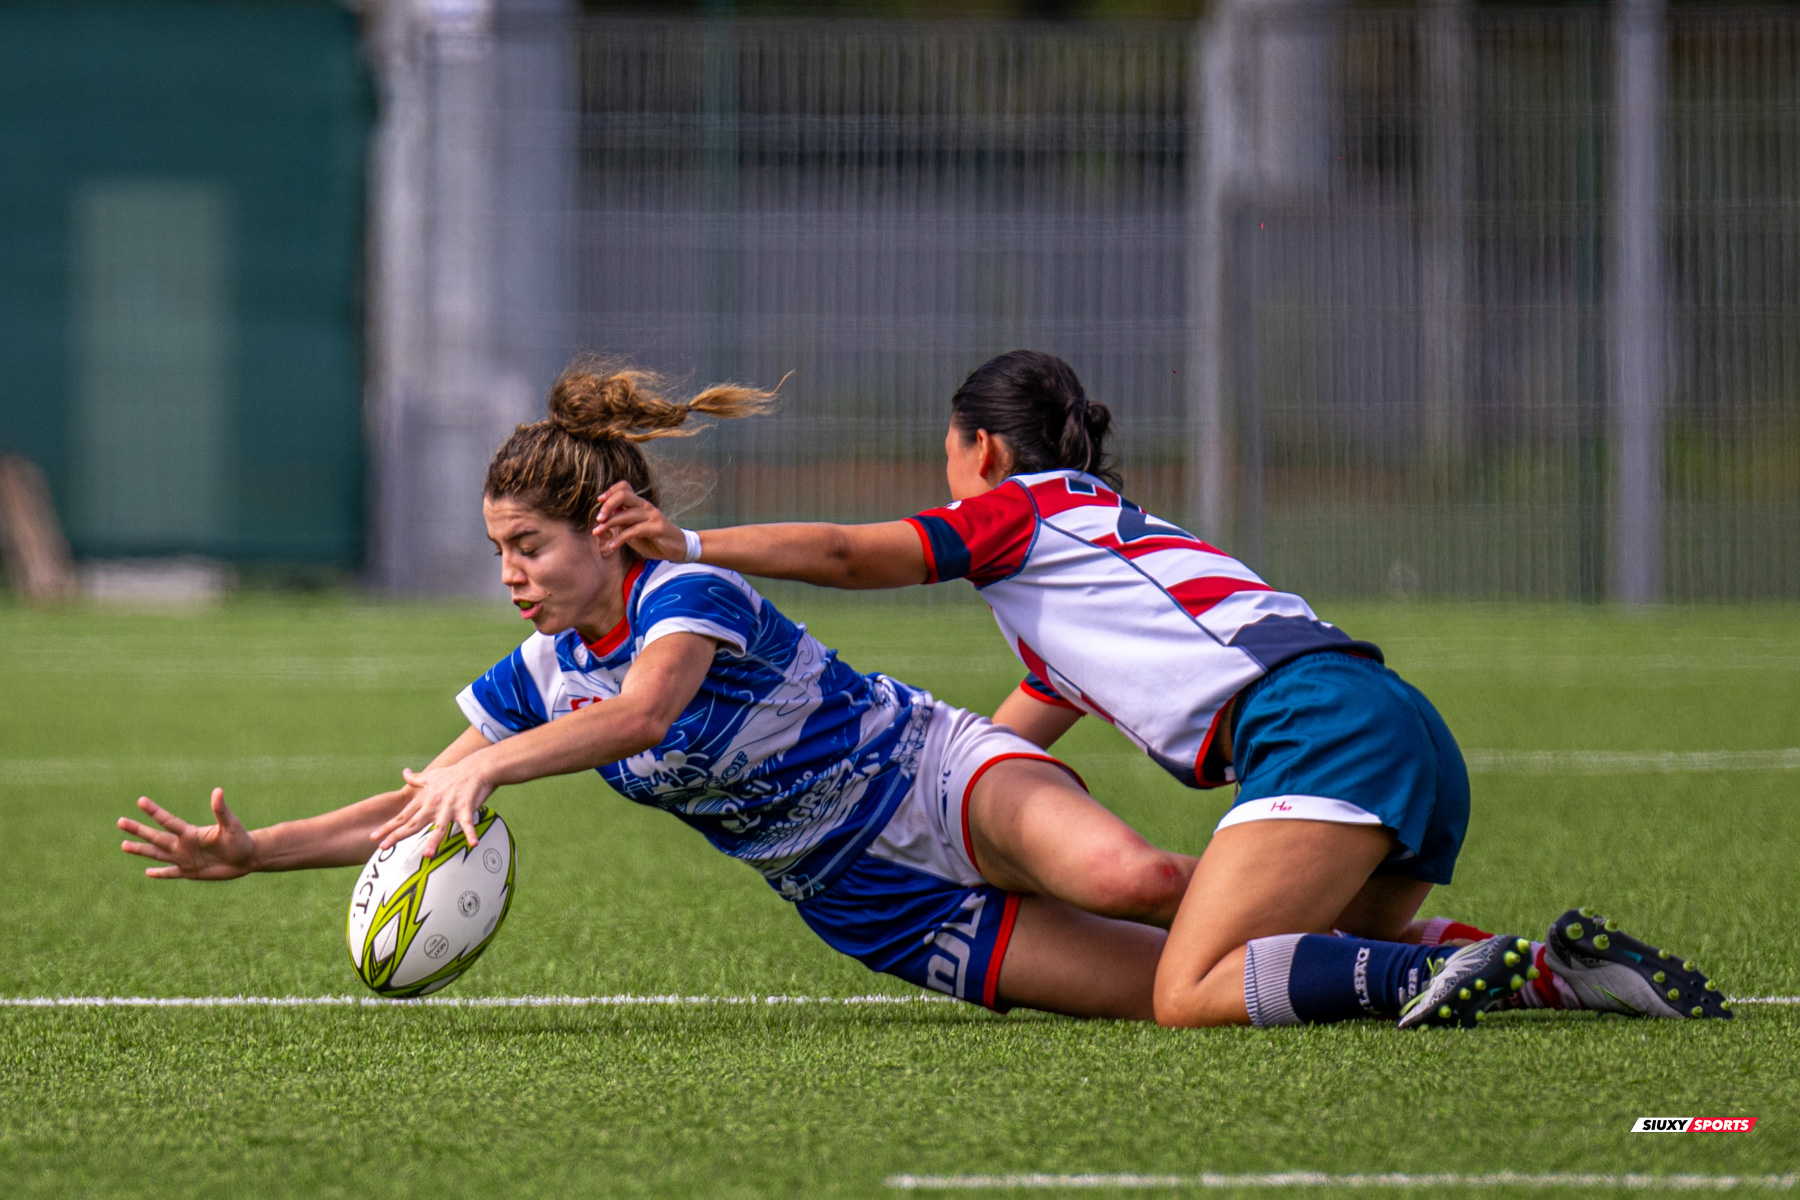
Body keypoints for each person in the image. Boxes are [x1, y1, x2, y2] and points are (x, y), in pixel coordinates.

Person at [593, 349, 1731, 1029]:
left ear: (983, 452)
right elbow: (987, 749)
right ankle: (1549, 972)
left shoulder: (1022, 511)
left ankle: (1438, 970)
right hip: (1400, 728)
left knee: (1189, 989)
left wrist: (688, 542)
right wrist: (912, 821)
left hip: (1319, 730)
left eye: (949, 459)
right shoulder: (1092, 557)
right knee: (1318, 946)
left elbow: (853, 555)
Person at [117, 360, 1211, 1022]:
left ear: (602, 532)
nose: (510, 576)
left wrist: (491, 768)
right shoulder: (542, 672)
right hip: (864, 902)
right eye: (498, 552)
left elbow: (642, 715)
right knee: (1173, 996)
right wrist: (258, 851)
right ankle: (1336, 964)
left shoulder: (688, 593)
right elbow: (414, 810)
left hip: (923, 773)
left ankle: (1315, 872)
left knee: (1136, 878)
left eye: (529, 548)